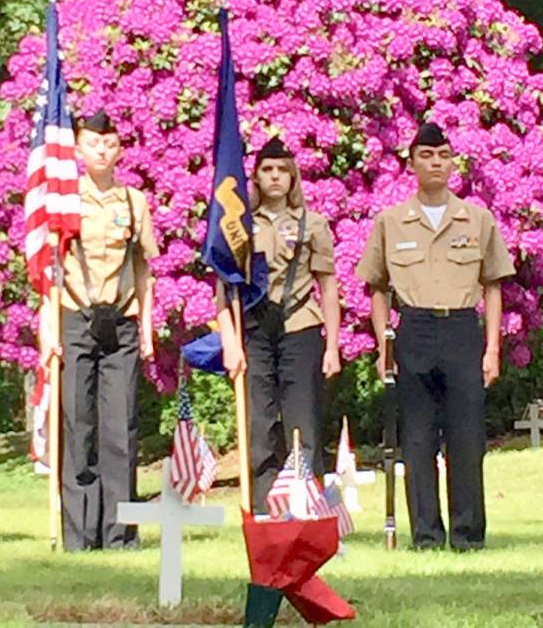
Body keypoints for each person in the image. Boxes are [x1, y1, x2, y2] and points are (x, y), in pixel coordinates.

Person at [356, 121, 514, 550]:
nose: (436, 163)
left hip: (463, 328)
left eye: (443, 155)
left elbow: (494, 286)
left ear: (453, 162)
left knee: (466, 438)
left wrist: (493, 349)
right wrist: (384, 344)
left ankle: (467, 535)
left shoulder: (477, 219)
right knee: (418, 438)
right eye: (427, 156)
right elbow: (375, 287)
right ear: (412, 163)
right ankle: (426, 535)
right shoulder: (391, 221)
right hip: (415, 330)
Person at [40, 109, 157, 551]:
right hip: (76, 316)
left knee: (120, 427)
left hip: (121, 319)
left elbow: (143, 267)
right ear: (78, 148)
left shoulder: (133, 202)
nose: (102, 151)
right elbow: (47, 274)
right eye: (93, 143)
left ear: (119, 148)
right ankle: (80, 533)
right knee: (78, 423)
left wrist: (146, 328)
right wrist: (48, 330)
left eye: (110, 144)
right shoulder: (64, 201)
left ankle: (120, 533)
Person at [217, 137, 342, 513]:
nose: (274, 177)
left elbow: (328, 286)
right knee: (260, 422)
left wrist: (333, 346)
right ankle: (264, 507)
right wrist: (230, 342)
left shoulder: (312, 224)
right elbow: (223, 290)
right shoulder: (239, 226)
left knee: (302, 419)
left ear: (293, 177)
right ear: (255, 177)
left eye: (282, 170)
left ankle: (306, 506)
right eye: (267, 170)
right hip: (254, 329)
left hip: (300, 326)